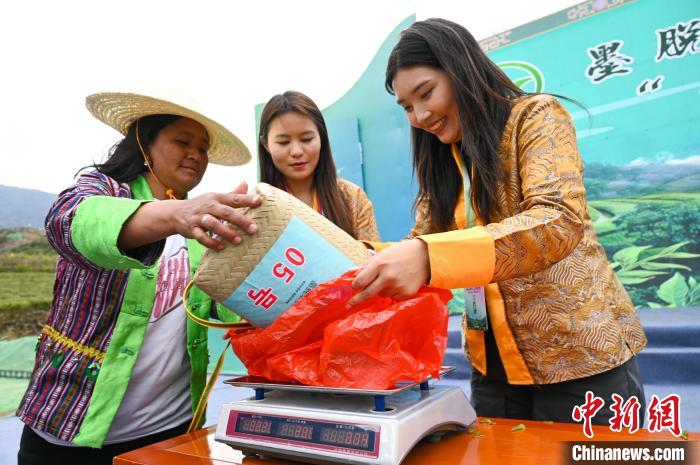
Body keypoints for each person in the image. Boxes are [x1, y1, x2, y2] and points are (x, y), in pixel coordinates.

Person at [349, 18, 647, 425]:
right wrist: (353, 256)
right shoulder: (444, 162)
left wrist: (427, 256)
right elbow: (419, 242)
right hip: (494, 367)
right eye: (406, 107)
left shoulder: (535, 117)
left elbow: (557, 220)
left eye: (426, 93)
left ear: (462, 70)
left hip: (581, 357)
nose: (419, 115)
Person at [16, 92, 261, 465]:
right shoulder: (105, 189)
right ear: (146, 144)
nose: (196, 154)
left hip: (170, 428)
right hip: (69, 427)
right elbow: (69, 221)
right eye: (183, 141)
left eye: (203, 148)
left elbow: (227, 308)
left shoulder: (205, 226)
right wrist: (174, 215)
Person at [258, 90, 380, 242]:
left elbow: (372, 255)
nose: (297, 151)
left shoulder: (353, 198)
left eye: (307, 139)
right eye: (283, 142)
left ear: (321, 137)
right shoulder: (256, 207)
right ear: (266, 145)